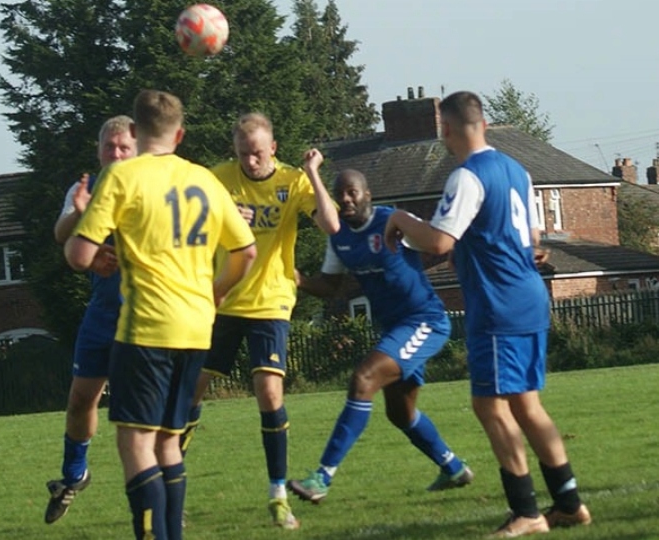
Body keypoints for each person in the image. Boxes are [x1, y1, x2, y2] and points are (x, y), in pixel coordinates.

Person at [383, 91, 591, 537]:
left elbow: (439, 242)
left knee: (488, 405)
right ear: (484, 122)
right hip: (529, 295)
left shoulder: (468, 176)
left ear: (447, 128)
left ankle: (527, 511)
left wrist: (400, 219)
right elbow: (533, 237)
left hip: (498, 303)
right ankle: (569, 503)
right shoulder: (518, 170)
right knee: (526, 404)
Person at [65, 89, 257, 540]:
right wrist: (216, 293)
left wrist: (92, 255)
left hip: (146, 326)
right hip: (195, 328)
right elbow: (245, 251)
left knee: (135, 441)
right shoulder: (206, 180)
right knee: (169, 441)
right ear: (180, 133)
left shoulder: (123, 177)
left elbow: (77, 253)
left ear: (133, 131)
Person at [180, 112, 340, 529]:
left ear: (273, 149)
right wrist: (223, 219)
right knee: (190, 389)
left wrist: (313, 174)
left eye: (256, 153)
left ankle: (278, 495)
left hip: (271, 302)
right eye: (242, 155)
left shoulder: (293, 180)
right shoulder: (217, 179)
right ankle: (169, 476)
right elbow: (185, 226)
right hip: (222, 301)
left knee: (269, 393)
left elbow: (331, 224)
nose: (250, 162)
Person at [286, 169, 473, 504]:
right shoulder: (338, 236)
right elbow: (330, 286)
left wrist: (462, 256)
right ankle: (454, 469)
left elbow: (437, 242)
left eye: (352, 192)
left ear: (368, 194)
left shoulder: (392, 222)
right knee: (400, 413)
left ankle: (322, 477)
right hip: (394, 329)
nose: (345, 199)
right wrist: (297, 278)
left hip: (424, 321)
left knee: (363, 379)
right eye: (339, 194)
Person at [45, 115, 137, 524]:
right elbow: (62, 233)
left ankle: (159, 502)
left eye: (123, 148)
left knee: (136, 418)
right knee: (82, 399)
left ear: (137, 150)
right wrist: (80, 216)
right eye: (109, 147)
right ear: (98, 150)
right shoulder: (87, 188)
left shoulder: (151, 186)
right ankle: (73, 475)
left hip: (144, 314)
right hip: (102, 312)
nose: (116, 154)